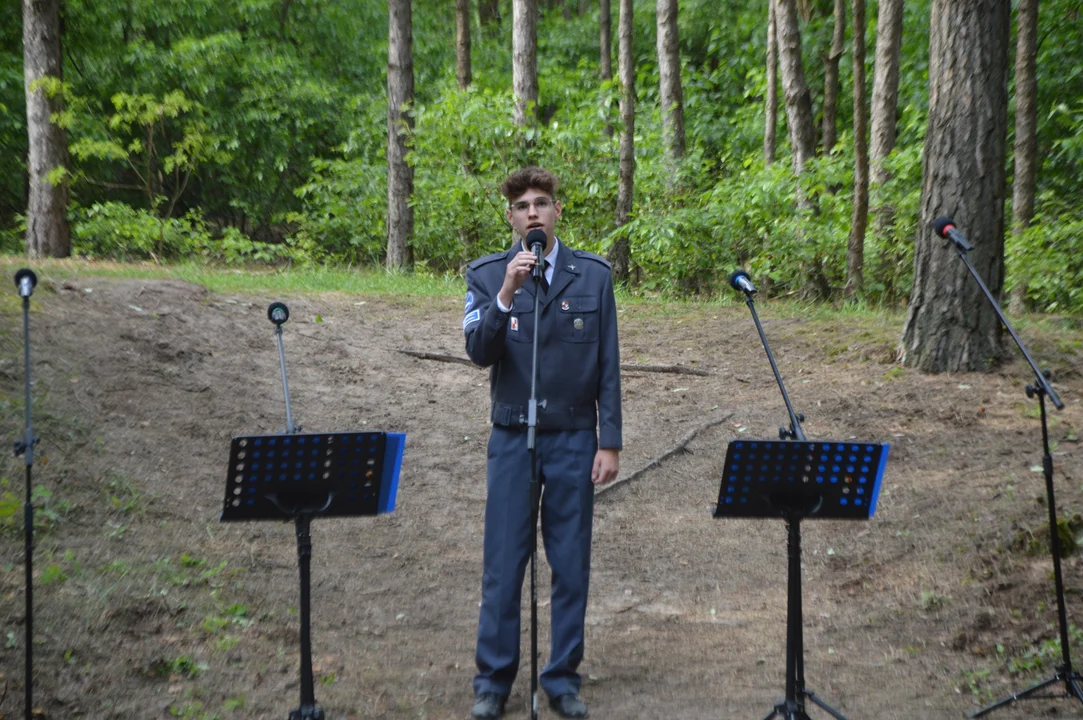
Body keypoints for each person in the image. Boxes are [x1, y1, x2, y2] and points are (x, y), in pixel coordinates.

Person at [462, 166, 622, 719]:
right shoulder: (486, 276)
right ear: (510, 217)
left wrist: (611, 441)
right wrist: (506, 292)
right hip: (512, 438)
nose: (533, 212)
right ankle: (494, 681)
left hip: (575, 438)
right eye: (523, 205)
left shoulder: (594, 277)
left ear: (557, 212)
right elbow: (480, 351)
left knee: (570, 563)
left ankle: (561, 679)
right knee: (504, 563)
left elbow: (608, 366)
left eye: (543, 203)